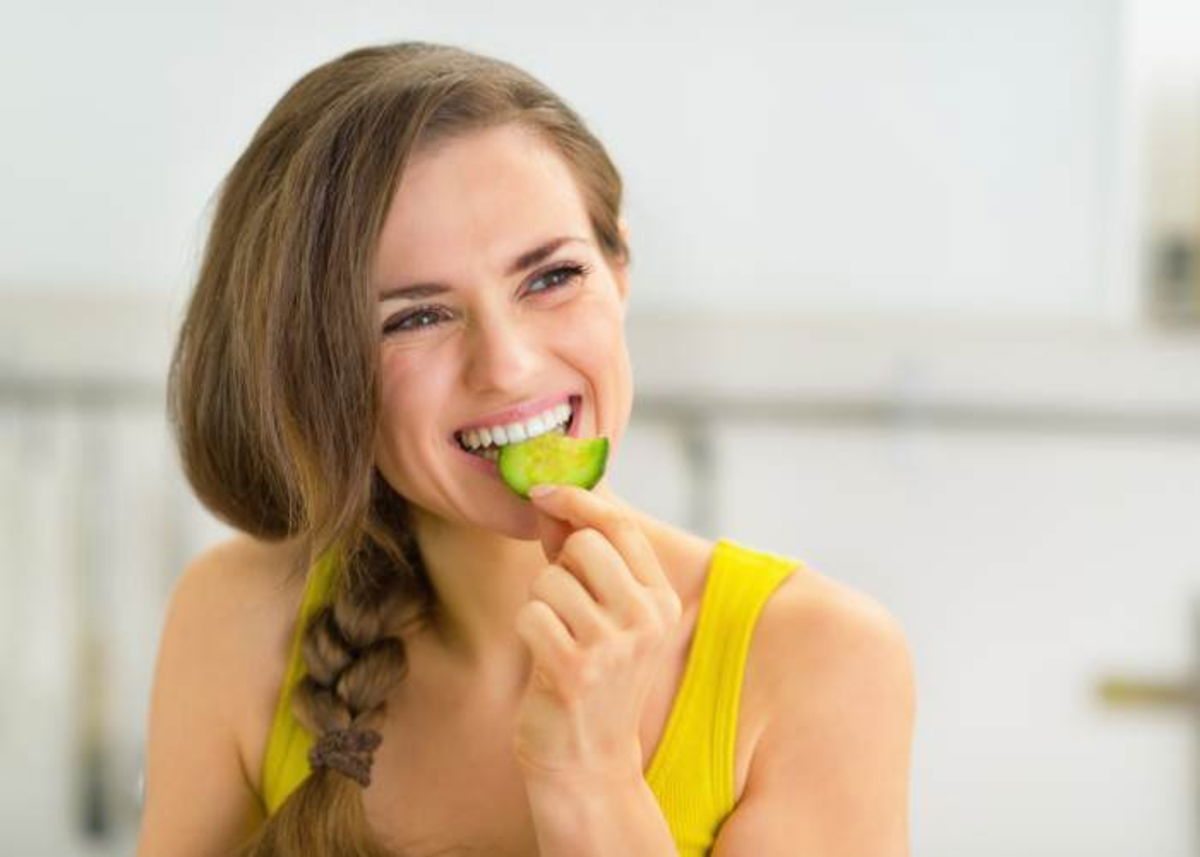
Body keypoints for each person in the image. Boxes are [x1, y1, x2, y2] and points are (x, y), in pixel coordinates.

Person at [135, 41, 915, 857]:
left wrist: (590, 775)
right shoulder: (238, 620)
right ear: (313, 367)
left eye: (550, 277)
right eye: (415, 317)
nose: (507, 365)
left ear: (619, 268)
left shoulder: (821, 660)